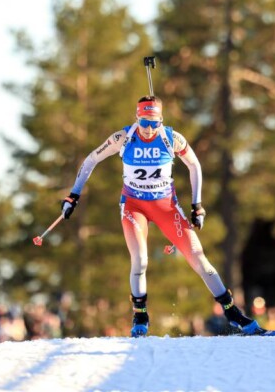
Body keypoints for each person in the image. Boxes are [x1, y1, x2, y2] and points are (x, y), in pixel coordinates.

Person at [60, 95, 264, 337]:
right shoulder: (123, 138)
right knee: (140, 260)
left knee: (198, 257)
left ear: (161, 121)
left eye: (154, 124)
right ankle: (140, 317)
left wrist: (197, 205)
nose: (148, 129)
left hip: (166, 207)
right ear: (137, 118)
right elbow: (92, 159)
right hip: (134, 206)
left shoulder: (171, 138)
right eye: (144, 123)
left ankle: (233, 314)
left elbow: (194, 165)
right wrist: (73, 195)